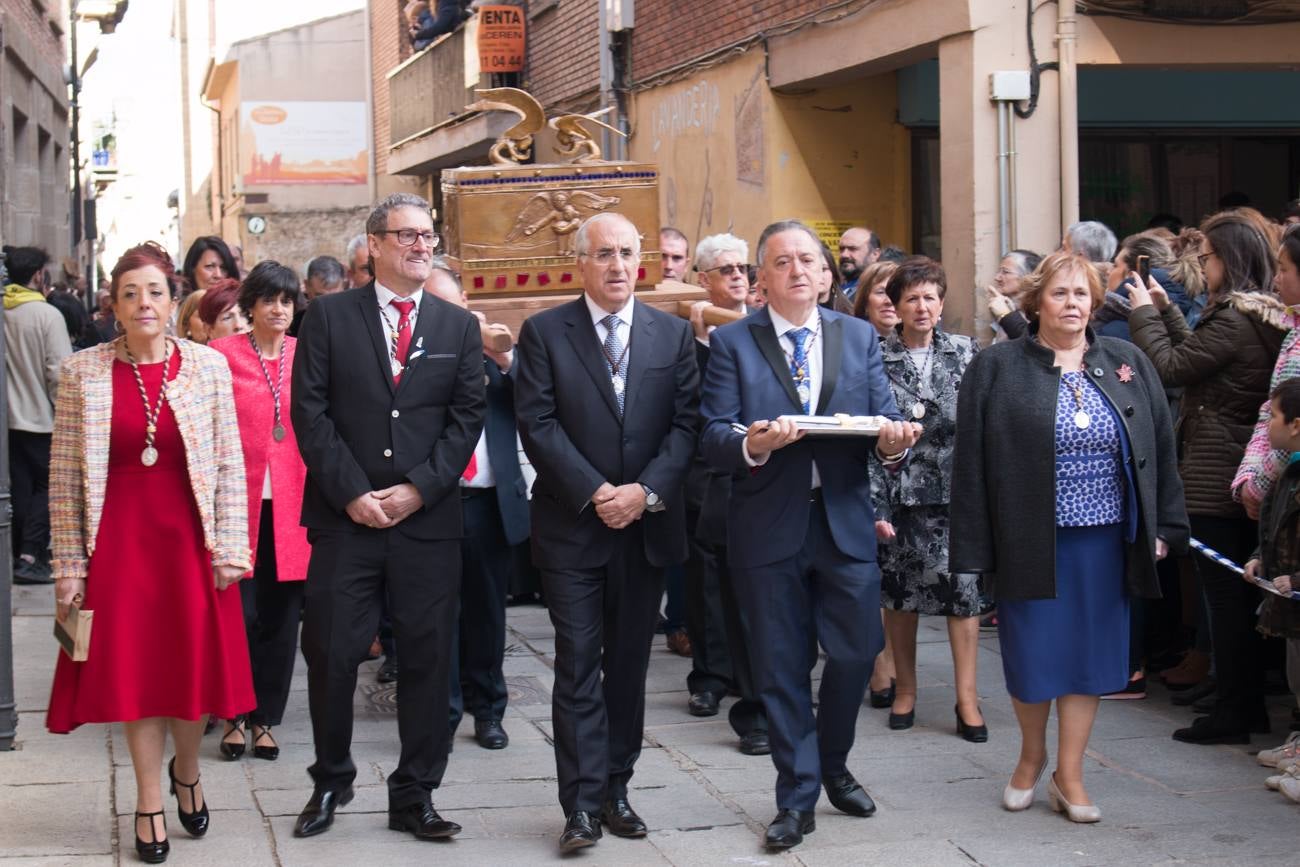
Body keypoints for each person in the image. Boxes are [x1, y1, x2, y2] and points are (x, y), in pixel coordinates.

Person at [699, 219, 920, 851]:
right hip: (766, 528)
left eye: (808, 260)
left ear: (826, 276)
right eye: (782, 261)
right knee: (780, 667)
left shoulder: (857, 337)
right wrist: (754, 443)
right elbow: (713, 435)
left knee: (856, 652)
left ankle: (832, 760)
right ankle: (796, 797)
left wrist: (895, 441)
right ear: (761, 279)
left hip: (844, 522)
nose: (798, 269)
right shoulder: (734, 343)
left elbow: (884, 423)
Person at [950, 250, 1188, 824]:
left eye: (1082, 294)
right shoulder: (997, 366)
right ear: (1036, 302)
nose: (1073, 304)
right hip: (1030, 539)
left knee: (1088, 659)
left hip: (1106, 542)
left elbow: (1158, 447)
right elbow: (972, 464)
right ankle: (1030, 758)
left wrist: (1163, 526)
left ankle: (1071, 773)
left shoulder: (1126, 359)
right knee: (1034, 656)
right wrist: (975, 547)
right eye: (1060, 293)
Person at [47, 242, 253, 863]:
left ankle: (186, 769)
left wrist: (232, 547)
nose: (143, 303)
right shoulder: (81, 372)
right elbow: (62, 480)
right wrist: (67, 568)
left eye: (155, 292)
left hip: (191, 541)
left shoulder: (207, 367)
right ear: (113, 303)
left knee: (189, 672)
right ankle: (147, 800)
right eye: (130, 293)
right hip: (119, 545)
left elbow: (227, 464)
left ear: (173, 300)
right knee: (138, 677)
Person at [290, 193, 485, 841]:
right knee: (332, 650)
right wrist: (351, 492)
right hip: (347, 520)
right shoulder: (327, 317)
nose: (421, 246)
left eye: (428, 235)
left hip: (425, 523)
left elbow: (465, 420)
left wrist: (418, 489)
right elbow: (309, 413)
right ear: (373, 246)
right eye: (406, 235)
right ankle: (331, 777)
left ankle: (415, 792)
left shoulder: (456, 326)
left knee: (429, 660)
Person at [513, 212, 699, 853]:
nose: (617, 266)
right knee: (576, 665)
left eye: (626, 253)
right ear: (581, 262)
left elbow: (686, 426)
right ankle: (581, 805)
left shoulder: (672, 335)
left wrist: (644, 493)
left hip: (644, 529)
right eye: (604, 255)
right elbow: (537, 423)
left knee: (627, 668)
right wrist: (597, 492)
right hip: (573, 528)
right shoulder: (544, 333)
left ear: (640, 258)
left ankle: (617, 788)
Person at [1128, 209, 1287, 744]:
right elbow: (1197, 354)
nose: (1203, 265)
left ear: (1230, 261)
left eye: (1209, 257)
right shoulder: (1257, 317)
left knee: (1225, 599)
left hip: (1216, 466)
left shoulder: (1235, 320)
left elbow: (1171, 367)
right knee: (1234, 595)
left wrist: (1144, 316)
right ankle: (1238, 700)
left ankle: (1236, 711)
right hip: (1233, 461)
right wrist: (1168, 312)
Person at [871, 257, 985, 738]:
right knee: (901, 597)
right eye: (912, 298)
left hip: (959, 496)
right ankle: (906, 690)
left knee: (964, 596)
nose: (922, 307)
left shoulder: (968, 351)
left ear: (942, 303)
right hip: (902, 495)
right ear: (896, 305)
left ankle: (967, 699)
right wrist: (875, 503)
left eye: (931, 298)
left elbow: (985, 425)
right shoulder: (874, 356)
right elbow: (867, 436)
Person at [423, 261, 529, 751]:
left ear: (468, 306)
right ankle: (441, 712)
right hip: (436, 502)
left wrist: (503, 358)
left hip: (488, 501)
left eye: (451, 305)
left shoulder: (496, 357)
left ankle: (488, 710)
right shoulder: (418, 358)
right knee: (438, 612)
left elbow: (534, 397)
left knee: (487, 613)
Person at [209, 262, 311, 764]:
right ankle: (233, 714)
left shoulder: (308, 356)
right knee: (239, 616)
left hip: (293, 508)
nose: (278, 309)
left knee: (280, 618)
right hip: (236, 506)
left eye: (287, 301)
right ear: (249, 305)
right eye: (269, 299)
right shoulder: (221, 356)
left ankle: (267, 719)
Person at [683, 233, 768, 755]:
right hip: (704, 472)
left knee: (749, 584)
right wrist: (699, 341)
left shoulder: (762, 328)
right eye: (726, 269)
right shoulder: (688, 335)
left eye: (744, 268)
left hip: (756, 472)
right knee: (705, 579)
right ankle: (710, 677)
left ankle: (749, 675)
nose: (738, 276)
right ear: (703, 279)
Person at [3, 246, 74, 585]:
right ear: (37, 276)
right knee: (51, 487)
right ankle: (30, 554)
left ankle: (19, 552)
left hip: (10, 421)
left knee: (19, 488)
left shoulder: (6, 312)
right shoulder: (47, 316)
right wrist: (67, 416)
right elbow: (58, 373)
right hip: (42, 420)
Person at [1243, 378, 1300, 797]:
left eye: (1273, 416)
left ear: (1295, 424)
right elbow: (1278, 525)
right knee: (1296, 674)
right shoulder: (1290, 468)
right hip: (1290, 602)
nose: (1266, 425)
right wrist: (1262, 556)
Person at [983, 249, 1042, 342]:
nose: (997, 278)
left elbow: (1031, 345)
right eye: (999, 271)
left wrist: (1005, 315)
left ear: (1028, 277)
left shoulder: (1041, 312)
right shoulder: (1006, 306)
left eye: (1005, 272)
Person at [291, 256, 346, 336]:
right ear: (307, 286)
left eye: (335, 298)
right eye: (321, 298)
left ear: (344, 285)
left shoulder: (357, 318)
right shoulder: (294, 322)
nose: (328, 307)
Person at [851, 260, 900, 342]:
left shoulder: (921, 344)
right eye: (880, 292)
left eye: (895, 292)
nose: (889, 301)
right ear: (865, 302)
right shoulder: (850, 343)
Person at [837, 226, 880, 299]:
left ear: (874, 254)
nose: (844, 255)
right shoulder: (833, 285)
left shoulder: (882, 288)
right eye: (842, 249)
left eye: (852, 249)